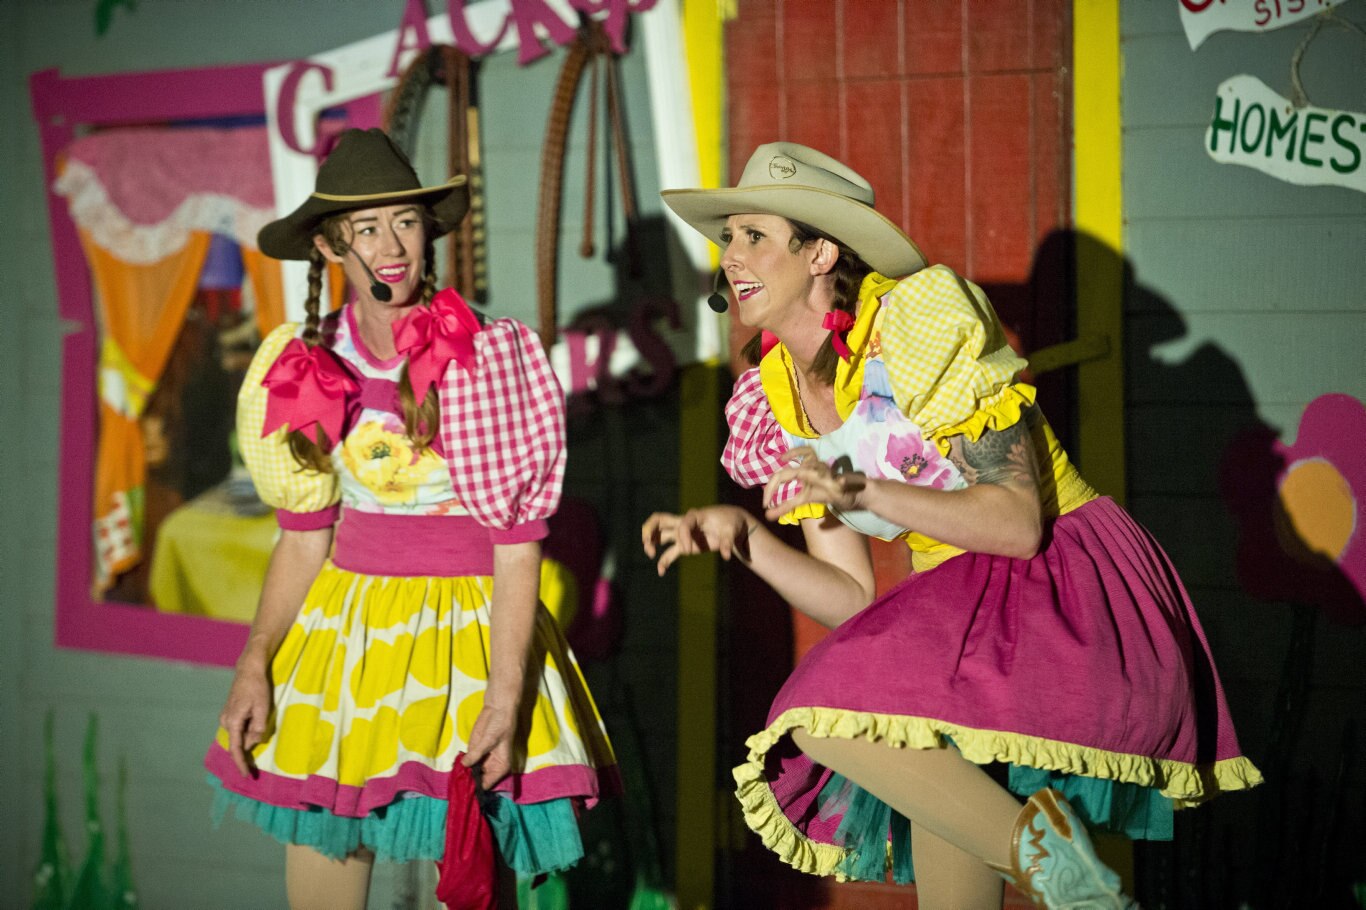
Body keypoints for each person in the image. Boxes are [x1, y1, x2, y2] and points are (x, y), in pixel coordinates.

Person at [644, 142, 1262, 909]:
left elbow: (1014, 524)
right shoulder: (776, 392)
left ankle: (1070, 883)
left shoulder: (914, 320)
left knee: (823, 713)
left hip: (1063, 573)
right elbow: (852, 597)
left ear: (821, 253)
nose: (730, 256)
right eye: (727, 237)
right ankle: (1063, 882)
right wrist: (749, 543)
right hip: (960, 599)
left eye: (754, 236)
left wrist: (862, 486)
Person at [206, 128, 617, 910]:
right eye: (367, 228)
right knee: (325, 874)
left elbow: (517, 548)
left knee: (465, 873)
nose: (392, 245)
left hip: (470, 632)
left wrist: (505, 695)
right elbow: (302, 539)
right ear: (331, 244)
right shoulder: (303, 359)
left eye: (405, 221)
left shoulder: (490, 356)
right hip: (348, 635)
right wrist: (256, 659)